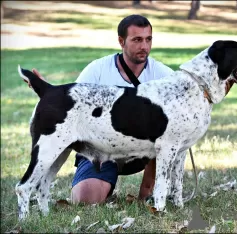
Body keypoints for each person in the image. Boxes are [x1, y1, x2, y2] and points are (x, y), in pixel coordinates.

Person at [31, 14, 174, 204]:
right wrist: (48, 93)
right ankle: (99, 184)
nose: (144, 47)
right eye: (137, 40)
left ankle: (148, 193)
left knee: (165, 135)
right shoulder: (97, 70)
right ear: (121, 41)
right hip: (100, 148)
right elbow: (72, 105)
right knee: (84, 200)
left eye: (148, 39)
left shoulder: (163, 75)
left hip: (144, 151)